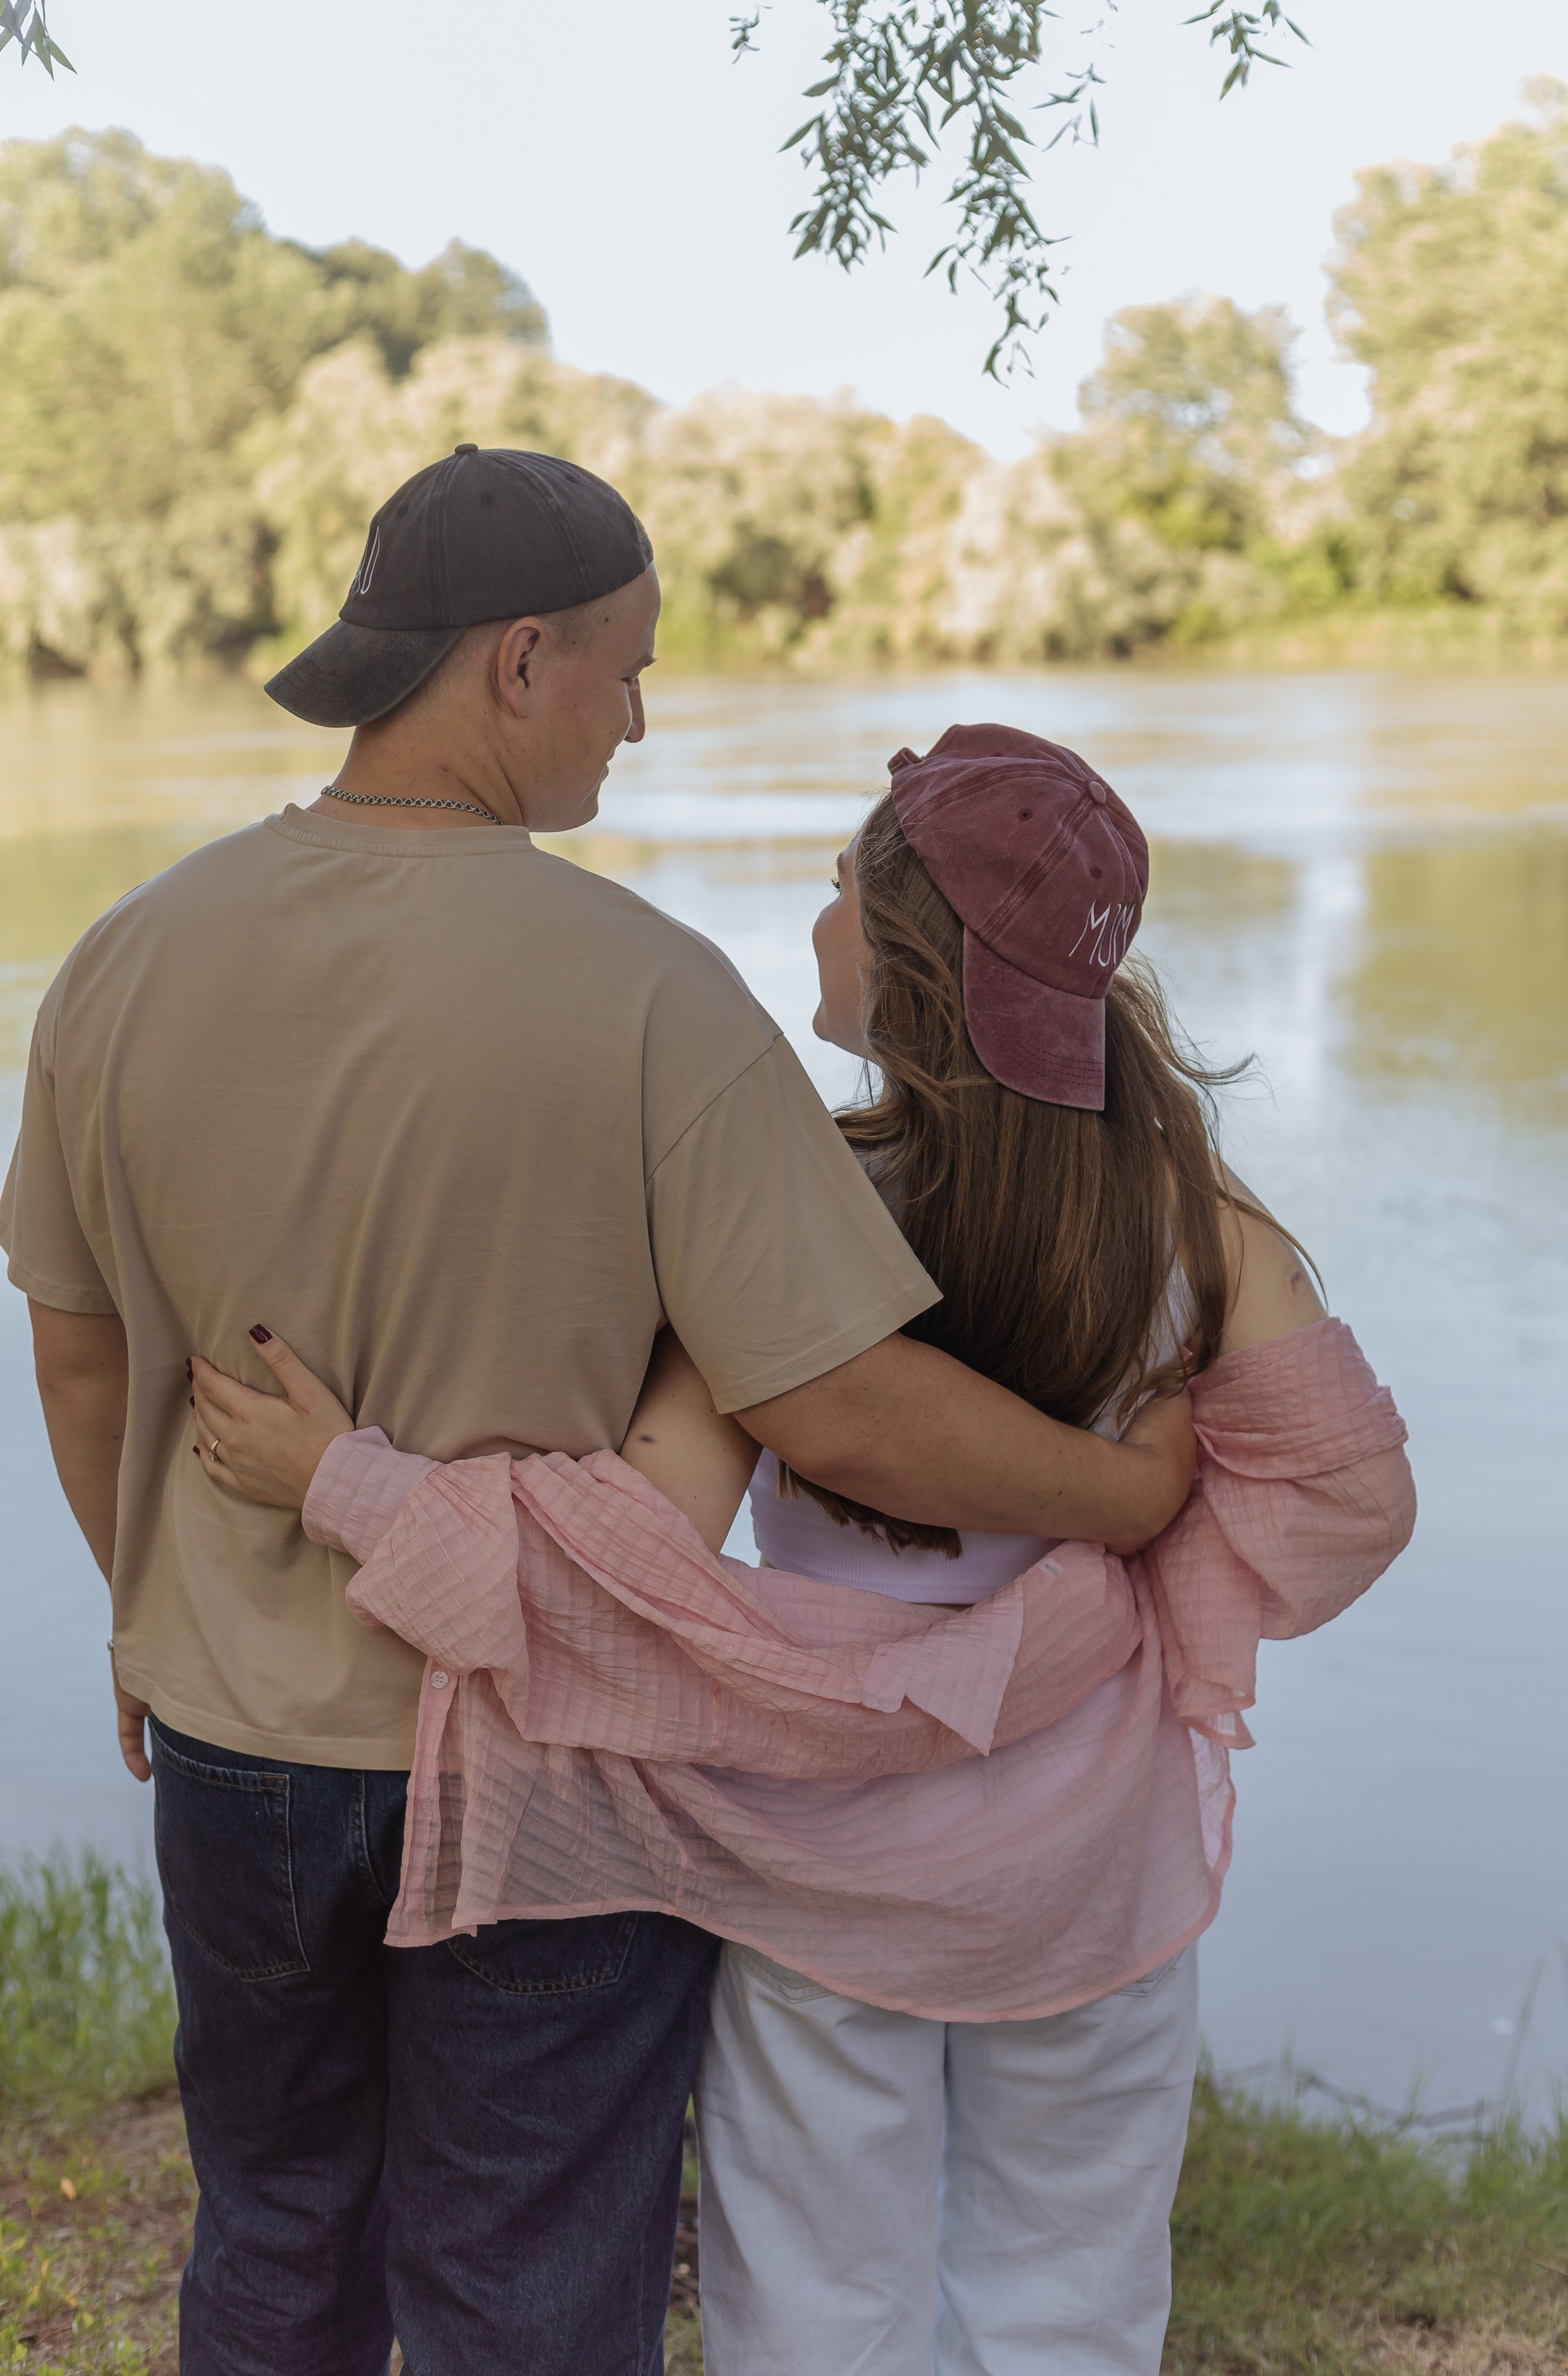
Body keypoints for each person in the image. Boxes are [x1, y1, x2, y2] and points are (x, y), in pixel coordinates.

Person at [1, 460, 1197, 2376]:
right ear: (520, 658)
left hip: (234, 1745)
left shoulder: (122, 959)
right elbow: (842, 1410)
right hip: (553, 1744)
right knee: (530, 2283)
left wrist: (152, 1612)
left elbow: (78, 1354)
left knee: (277, 2229)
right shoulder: (653, 996)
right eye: (628, 675)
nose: (639, 722)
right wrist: (1124, 1494)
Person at [189, 724, 1415, 2376]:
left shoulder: (800, 1204)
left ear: (915, 961)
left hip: (823, 1864)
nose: (818, 916)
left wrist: (347, 1481)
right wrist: (1129, 1582)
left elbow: (629, 1553)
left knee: (815, 2306)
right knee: (1074, 2287)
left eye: (841, 889)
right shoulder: (1194, 1217)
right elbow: (1346, 1503)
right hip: (1091, 1867)